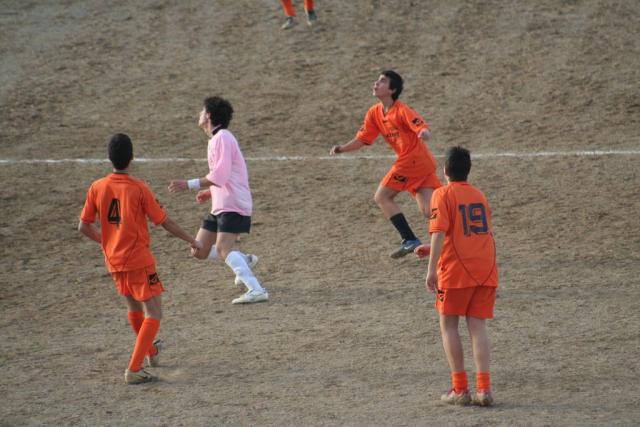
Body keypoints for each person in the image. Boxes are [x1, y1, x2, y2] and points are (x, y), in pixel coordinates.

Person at [78, 133, 201, 384]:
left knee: (134, 308)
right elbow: (164, 222)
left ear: (109, 158)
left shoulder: (97, 186)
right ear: (132, 158)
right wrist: (192, 240)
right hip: (138, 260)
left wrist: (106, 241)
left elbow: (83, 226)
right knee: (154, 312)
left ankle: (151, 351)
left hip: (113, 260)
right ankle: (134, 369)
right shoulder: (138, 188)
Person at [415, 146, 498, 406]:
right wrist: (432, 249)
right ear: (468, 170)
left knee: (449, 325)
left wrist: (431, 269)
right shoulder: (479, 195)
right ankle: (484, 389)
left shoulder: (441, 194)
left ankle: (460, 389)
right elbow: (468, 233)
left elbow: (439, 232)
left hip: (455, 272)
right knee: (478, 327)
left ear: (445, 170)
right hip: (485, 268)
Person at [330, 70, 441, 258]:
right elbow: (363, 139)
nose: (376, 83)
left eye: (382, 81)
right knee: (430, 211)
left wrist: (424, 133)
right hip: (421, 163)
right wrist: (342, 148)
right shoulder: (374, 113)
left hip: (411, 161)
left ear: (392, 90)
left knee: (382, 197)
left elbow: (419, 125)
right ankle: (458, 235)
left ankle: (410, 239)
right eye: (377, 80)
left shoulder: (402, 110)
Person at [168, 96, 268, 304]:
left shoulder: (222, 137)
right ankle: (242, 260)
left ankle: (256, 289)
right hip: (221, 204)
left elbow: (220, 176)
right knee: (199, 249)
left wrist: (189, 184)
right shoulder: (217, 139)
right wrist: (211, 192)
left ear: (209, 115)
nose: (199, 114)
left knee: (223, 249)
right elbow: (225, 176)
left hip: (233, 203)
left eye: (202, 111)